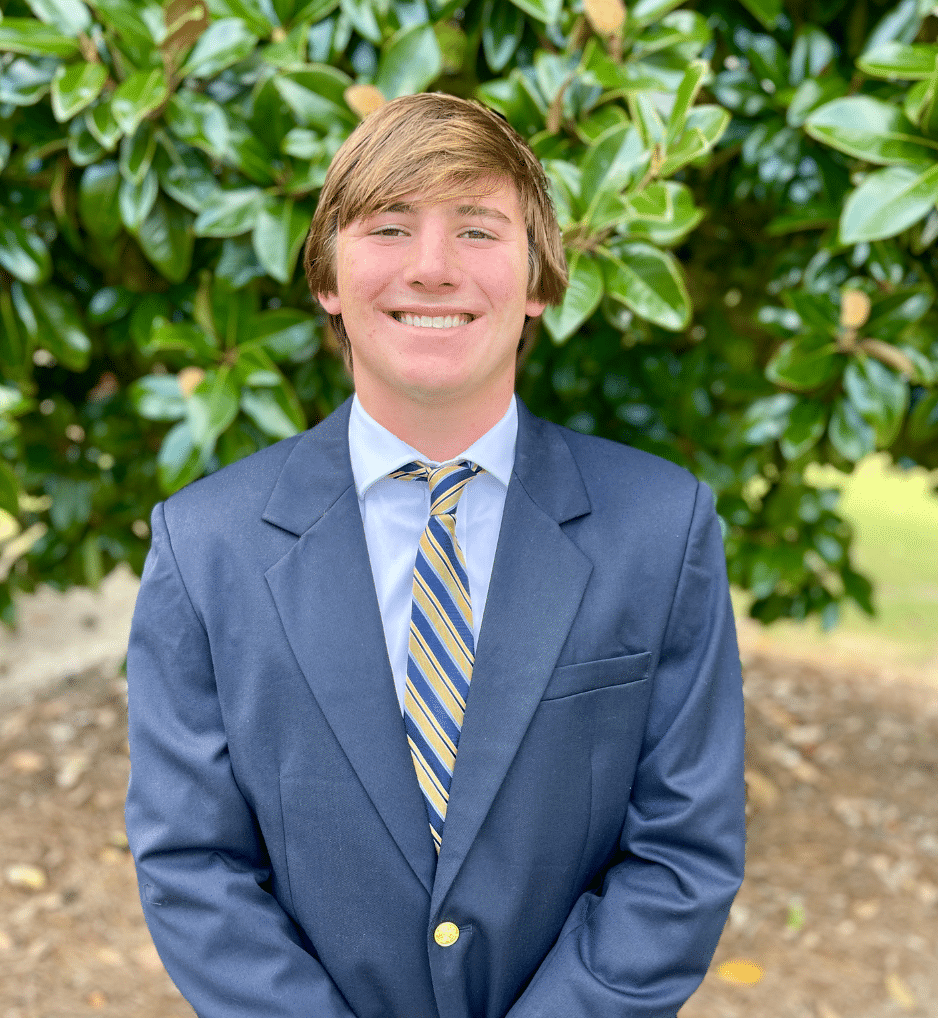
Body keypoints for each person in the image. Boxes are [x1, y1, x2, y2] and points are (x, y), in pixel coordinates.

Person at [125, 92, 745, 1018]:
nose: (431, 268)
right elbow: (192, 861)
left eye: (478, 231)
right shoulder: (202, 546)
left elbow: (682, 850)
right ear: (328, 279)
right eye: (388, 227)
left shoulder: (662, 528)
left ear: (540, 281)